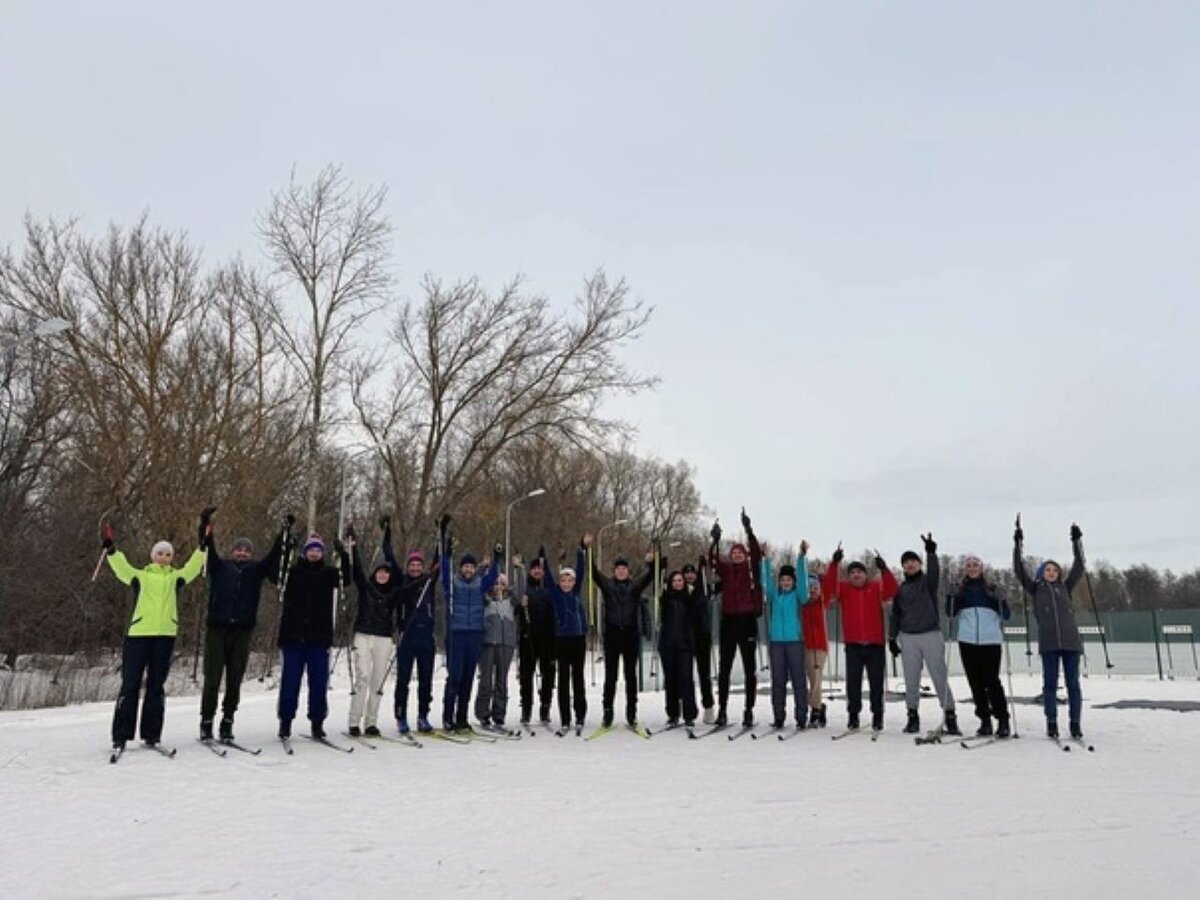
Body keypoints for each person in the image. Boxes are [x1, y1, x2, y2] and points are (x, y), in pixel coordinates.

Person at [103, 515, 207, 751]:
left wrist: (202, 546)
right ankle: (120, 735)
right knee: (130, 685)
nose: (164, 557)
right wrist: (111, 550)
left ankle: (152, 735)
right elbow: (122, 568)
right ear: (153, 556)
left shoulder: (175, 578)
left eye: (168, 554)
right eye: (160, 553)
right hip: (138, 635)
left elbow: (193, 568)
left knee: (156, 686)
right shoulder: (141, 576)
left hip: (164, 637)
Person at [199, 508, 288, 743]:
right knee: (212, 677)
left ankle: (227, 721)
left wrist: (284, 533)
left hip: (242, 630)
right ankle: (206, 721)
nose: (242, 553)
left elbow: (273, 555)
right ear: (233, 551)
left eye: (246, 550)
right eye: (239, 549)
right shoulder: (220, 567)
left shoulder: (256, 570)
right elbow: (207, 546)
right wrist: (205, 523)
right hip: (217, 629)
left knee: (234, 679)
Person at [1013, 520, 1087, 739]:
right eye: (1047, 569)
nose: (1052, 572)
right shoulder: (1035, 589)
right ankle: (1051, 722)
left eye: (1055, 569)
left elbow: (1080, 565)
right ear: (1041, 573)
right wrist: (1018, 543)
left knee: (1073, 684)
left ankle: (1075, 723)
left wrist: (1076, 541)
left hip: (1071, 643)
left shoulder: (1066, 587)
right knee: (1050, 685)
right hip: (1049, 644)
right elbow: (1018, 570)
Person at [277, 532, 350, 740]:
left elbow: (348, 579)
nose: (315, 554)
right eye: (311, 550)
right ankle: (285, 722)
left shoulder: (329, 573)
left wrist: (343, 554)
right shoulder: (293, 572)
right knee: (290, 683)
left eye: (318, 550)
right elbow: (277, 573)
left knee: (318, 684)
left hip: (319, 639)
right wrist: (287, 547)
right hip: (293, 638)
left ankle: (317, 723)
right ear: (305, 552)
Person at [889, 534, 959, 736]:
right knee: (911, 679)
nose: (910, 565)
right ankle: (912, 717)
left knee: (939, 676)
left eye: (913, 561)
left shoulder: (927, 583)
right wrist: (892, 638)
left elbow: (935, 571)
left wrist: (931, 553)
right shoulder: (900, 589)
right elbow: (895, 615)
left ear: (919, 564)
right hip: (908, 637)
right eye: (906, 562)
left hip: (930, 634)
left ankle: (950, 716)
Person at [822, 547, 898, 731]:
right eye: (852, 573)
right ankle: (853, 715)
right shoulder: (844, 589)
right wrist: (834, 563)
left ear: (866, 574)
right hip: (853, 644)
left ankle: (877, 715)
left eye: (860, 572)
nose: (856, 575)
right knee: (853, 683)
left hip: (875, 645)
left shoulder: (876, 587)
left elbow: (893, 589)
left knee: (876, 683)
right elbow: (828, 587)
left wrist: (884, 569)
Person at [582, 533, 654, 729]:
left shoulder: (634, 587)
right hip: (613, 635)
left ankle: (632, 714)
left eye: (624, 569)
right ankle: (608, 713)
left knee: (631, 676)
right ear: (614, 571)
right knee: (611, 677)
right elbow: (593, 571)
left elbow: (650, 577)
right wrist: (587, 548)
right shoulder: (608, 585)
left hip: (630, 635)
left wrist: (652, 563)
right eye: (618, 569)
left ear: (628, 571)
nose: (621, 572)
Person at [437, 515, 501, 733]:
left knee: (467, 678)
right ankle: (448, 717)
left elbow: (492, 576)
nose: (468, 570)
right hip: (456, 634)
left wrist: (497, 558)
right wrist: (446, 552)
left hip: (474, 635)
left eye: (471, 567)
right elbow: (444, 571)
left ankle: (462, 717)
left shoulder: (479, 585)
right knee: (454, 678)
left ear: (475, 569)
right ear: (461, 568)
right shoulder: (452, 584)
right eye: (465, 567)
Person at [709, 509, 764, 728]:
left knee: (750, 668)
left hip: (747, 620)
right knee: (725, 668)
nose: (737, 556)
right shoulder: (727, 570)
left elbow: (757, 551)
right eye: (734, 553)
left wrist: (748, 530)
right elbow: (713, 561)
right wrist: (715, 541)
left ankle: (748, 710)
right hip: (729, 622)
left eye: (740, 553)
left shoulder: (753, 568)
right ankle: (722, 709)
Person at [345, 522, 401, 738]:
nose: (383, 575)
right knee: (363, 677)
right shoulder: (366, 587)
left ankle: (371, 722)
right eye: (380, 572)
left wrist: (388, 534)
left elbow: (410, 582)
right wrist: (353, 546)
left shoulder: (394, 593)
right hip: (363, 635)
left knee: (377, 680)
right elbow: (357, 569)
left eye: (386, 573)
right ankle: (353, 721)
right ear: (375, 573)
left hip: (384, 639)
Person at [382, 516, 437, 735]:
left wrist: (441, 532)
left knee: (426, 681)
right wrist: (387, 532)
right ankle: (401, 716)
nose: (415, 567)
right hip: (407, 636)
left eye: (418, 565)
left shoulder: (429, 581)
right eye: (412, 565)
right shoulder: (402, 579)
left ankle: (423, 716)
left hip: (426, 639)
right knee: (403, 680)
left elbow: (439, 558)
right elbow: (389, 555)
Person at [947, 554, 1012, 738]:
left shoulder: (990, 589)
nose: (972, 568)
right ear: (965, 569)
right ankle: (985, 720)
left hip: (990, 641)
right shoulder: (962, 590)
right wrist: (950, 596)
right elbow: (950, 613)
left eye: (976, 565)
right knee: (975, 683)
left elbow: (1006, 615)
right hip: (967, 641)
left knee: (992, 682)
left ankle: (1003, 720)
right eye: (969, 565)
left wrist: (1001, 599)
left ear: (981, 568)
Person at [762, 542, 812, 730]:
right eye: (783, 579)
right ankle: (779, 716)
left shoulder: (799, 596)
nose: (785, 582)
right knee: (778, 680)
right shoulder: (774, 595)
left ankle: (801, 716)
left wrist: (801, 557)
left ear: (793, 581)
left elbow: (804, 584)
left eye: (788, 579)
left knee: (799, 680)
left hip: (795, 642)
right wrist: (765, 559)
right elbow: (765, 581)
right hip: (776, 643)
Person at [544, 545, 589, 733]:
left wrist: (581, 550)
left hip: (578, 640)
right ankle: (565, 719)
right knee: (563, 680)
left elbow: (581, 569)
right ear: (559, 582)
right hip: (561, 641)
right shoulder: (555, 595)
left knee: (578, 678)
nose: (567, 583)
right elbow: (546, 578)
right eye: (563, 580)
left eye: (570, 580)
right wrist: (543, 559)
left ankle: (580, 715)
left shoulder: (576, 592)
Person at [516, 553, 557, 727]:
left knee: (548, 675)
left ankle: (545, 706)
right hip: (528, 637)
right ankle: (526, 708)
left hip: (548, 638)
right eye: (534, 569)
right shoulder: (525, 589)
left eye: (539, 569)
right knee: (526, 676)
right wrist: (521, 605)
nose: (537, 571)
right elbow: (517, 612)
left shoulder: (550, 588)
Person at [476, 573, 518, 728]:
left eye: (501, 584)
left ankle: (499, 714)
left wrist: (517, 569)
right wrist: (483, 568)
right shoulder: (485, 600)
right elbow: (479, 587)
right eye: (495, 584)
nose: (497, 587)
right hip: (487, 643)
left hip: (505, 644)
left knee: (501, 680)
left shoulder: (511, 601)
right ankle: (483, 713)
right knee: (486, 680)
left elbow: (520, 592)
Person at [658, 570, 699, 727]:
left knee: (686, 679)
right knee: (670, 680)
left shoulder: (689, 600)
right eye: (674, 580)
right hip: (668, 645)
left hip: (685, 645)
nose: (677, 583)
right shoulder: (666, 599)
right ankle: (673, 713)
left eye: (680, 580)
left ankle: (689, 714)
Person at [684, 560, 716, 724]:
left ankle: (708, 707)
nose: (689, 575)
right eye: (686, 573)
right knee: (686, 675)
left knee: (704, 674)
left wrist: (705, 567)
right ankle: (688, 709)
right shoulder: (680, 591)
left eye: (692, 573)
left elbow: (715, 587)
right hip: (685, 637)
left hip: (702, 636)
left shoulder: (703, 589)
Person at [802, 567, 831, 728]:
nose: (812, 591)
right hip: (803, 644)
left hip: (818, 646)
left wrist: (823, 578)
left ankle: (815, 709)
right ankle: (817, 705)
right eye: (810, 588)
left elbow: (829, 586)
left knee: (815, 677)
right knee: (806, 678)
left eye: (815, 588)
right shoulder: (803, 604)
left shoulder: (821, 602)